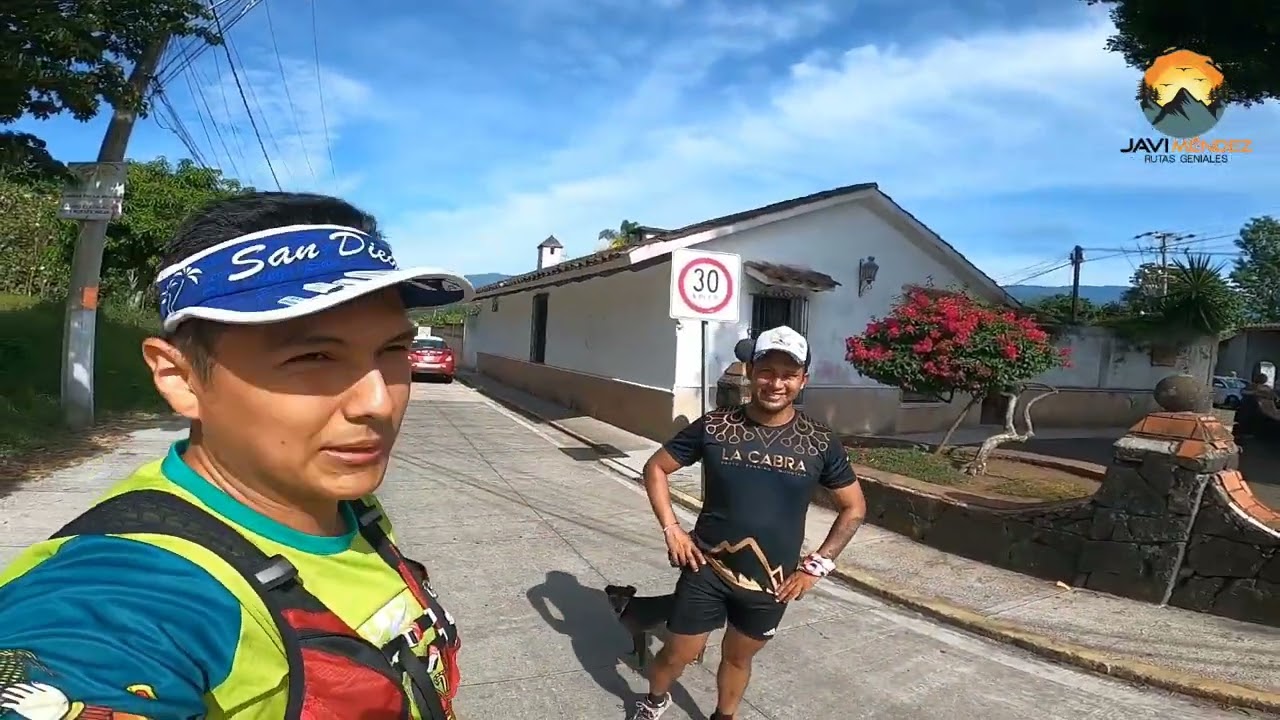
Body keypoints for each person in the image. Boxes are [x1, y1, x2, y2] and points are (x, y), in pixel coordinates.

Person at [0, 192, 472, 719]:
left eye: (393, 351)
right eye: (312, 357)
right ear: (180, 378)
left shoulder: (340, 506)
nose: (379, 402)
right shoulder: (128, 590)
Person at [631, 325, 868, 720]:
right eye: (766, 371)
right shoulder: (716, 426)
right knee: (678, 653)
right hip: (705, 565)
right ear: (750, 371)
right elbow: (656, 468)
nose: (776, 383)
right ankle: (655, 699)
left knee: (738, 658)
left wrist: (816, 567)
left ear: (803, 380)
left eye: (788, 374)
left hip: (771, 579)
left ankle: (725, 716)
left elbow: (854, 508)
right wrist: (672, 529)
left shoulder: (820, 441)